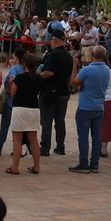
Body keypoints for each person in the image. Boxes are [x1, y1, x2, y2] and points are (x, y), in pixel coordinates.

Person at [70, 46, 109, 174]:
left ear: (92, 55)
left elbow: (74, 83)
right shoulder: (107, 70)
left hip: (85, 106)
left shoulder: (87, 70)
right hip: (99, 106)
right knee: (96, 136)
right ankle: (94, 164)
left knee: (83, 136)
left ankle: (83, 163)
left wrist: (74, 66)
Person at [37, 28, 73, 157]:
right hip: (63, 92)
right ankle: (60, 146)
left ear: (55, 40)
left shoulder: (54, 54)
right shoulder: (68, 56)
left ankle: (45, 148)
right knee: (60, 121)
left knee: (47, 121)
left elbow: (49, 72)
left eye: (51, 40)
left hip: (50, 92)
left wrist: (38, 75)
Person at [5, 50, 42, 176]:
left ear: (24, 63)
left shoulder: (19, 78)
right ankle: (36, 166)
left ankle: (15, 167)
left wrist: (12, 82)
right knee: (33, 139)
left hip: (20, 109)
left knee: (17, 139)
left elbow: (12, 93)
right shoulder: (38, 78)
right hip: (34, 108)